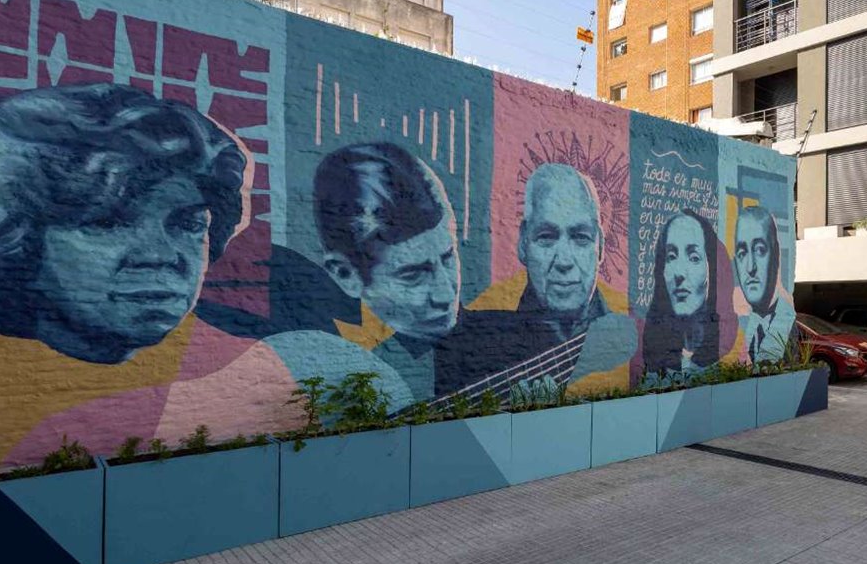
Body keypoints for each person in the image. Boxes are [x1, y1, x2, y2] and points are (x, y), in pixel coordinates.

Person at [0, 84, 300, 477]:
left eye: (189, 224)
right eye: (107, 223)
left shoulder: (252, 364)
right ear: (8, 239)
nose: (161, 255)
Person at [266, 142, 463, 410]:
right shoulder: (310, 353)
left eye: (448, 258)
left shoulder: (500, 334)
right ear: (345, 274)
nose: (445, 294)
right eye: (413, 275)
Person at [435, 163, 635, 398]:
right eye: (547, 237)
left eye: (580, 237)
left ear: (600, 247)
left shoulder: (633, 329)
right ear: (523, 244)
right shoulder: (471, 341)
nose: (563, 261)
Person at [642, 209, 724, 377]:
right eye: (671, 257)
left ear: (711, 269)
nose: (679, 273)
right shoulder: (653, 359)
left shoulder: (725, 347)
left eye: (694, 258)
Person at [732, 205, 795, 364]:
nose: (750, 267)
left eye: (759, 250)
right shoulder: (746, 325)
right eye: (742, 253)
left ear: (776, 255)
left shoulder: (788, 321)